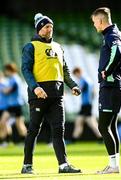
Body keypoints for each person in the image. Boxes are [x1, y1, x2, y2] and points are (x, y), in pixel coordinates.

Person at [21, 13, 82, 174]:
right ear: (40, 29)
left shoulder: (58, 47)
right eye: (47, 26)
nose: (50, 29)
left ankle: (63, 165)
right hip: (38, 96)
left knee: (58, 130)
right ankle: (27, 165)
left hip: (57, 96)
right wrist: (35, 87)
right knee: (33, 130)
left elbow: (65, 71)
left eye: (51, 27)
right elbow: (25, 70)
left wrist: (73, 85)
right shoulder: (30, 46)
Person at [91, 7, 121, 174]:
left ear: (100, 21)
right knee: (111, 127)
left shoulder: (112, 36)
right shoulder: (119, 34)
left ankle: (113, 166)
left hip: (110, 86)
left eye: (94, 22)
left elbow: (117, 51)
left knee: (103, 127)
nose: (94, 26)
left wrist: (106, 70)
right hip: (116, 87)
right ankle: (115, 165)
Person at [72, 67, 102, 142]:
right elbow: (94, 92)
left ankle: (74, 139)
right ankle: (74, 138)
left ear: (78, 72)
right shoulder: (89, 80)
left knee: (89, 122)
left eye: (75, 74)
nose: (76, 76)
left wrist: (72, 91)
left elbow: (79, 90)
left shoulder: (83, 80)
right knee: (81, 121)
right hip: (88, 104)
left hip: (86, 105)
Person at [3, 63, 27, 143]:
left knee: (19, 124)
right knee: (3, 122)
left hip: (16, 104)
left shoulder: (15, 79)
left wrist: (3, 90)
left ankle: (26, 140)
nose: (5, 72)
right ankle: (7, 141)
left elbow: (8, 91)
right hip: (11, 105)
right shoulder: (12, 79)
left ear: (9, 70)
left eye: (6, 70)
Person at [0, 71, 12, 147]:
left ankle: (4, 141)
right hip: (1, 107)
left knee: (3, 123)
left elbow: (7, 92)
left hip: (6, 107)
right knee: (5, 125)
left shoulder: (5, 84)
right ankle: (8, 141)